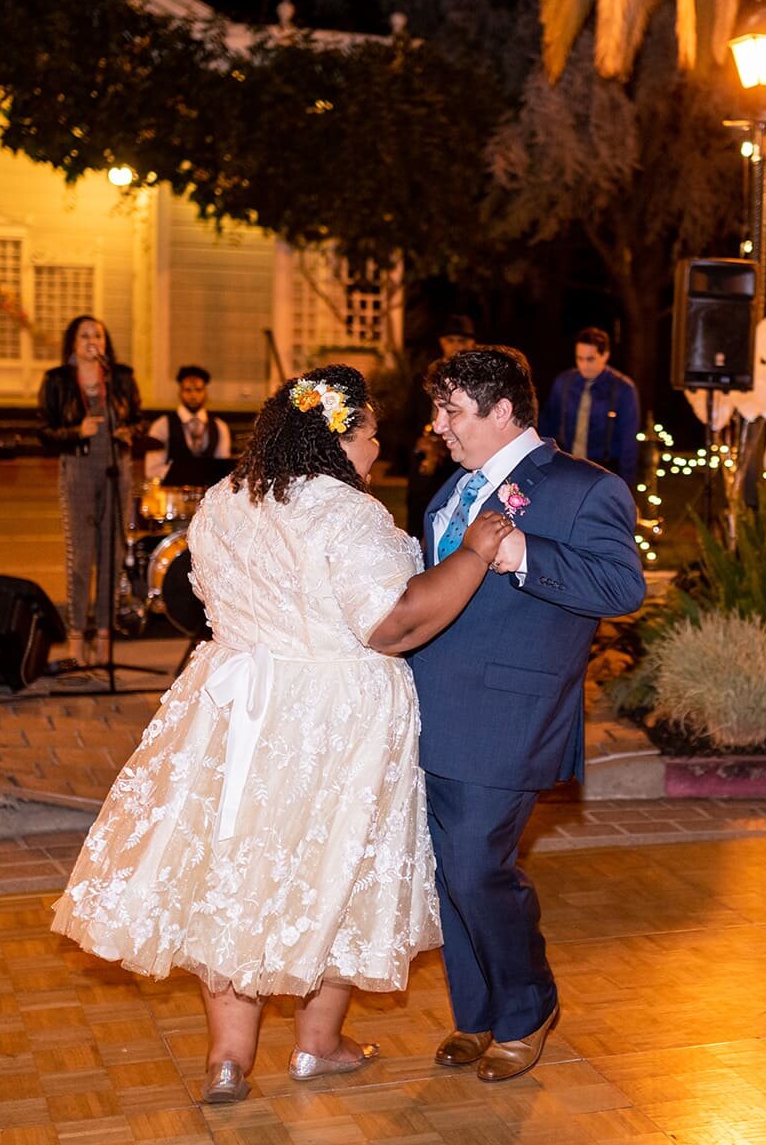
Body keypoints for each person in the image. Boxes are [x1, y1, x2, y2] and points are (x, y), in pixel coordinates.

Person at [51, 364, 514, 1105]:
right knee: (333, 869)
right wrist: (474, 554)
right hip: (333, 717)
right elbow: (393, 622)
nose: (376, 450)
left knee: (237, 870)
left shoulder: (226, 500)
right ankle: (318, 1045)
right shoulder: (344, 512)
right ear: (335, 438)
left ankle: (228, 1058)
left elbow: (207, 597)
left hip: (236, 711)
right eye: (368, 435)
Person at [409, 346, 646, 1082]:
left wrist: (521, 552)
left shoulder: (584, 488)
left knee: (481, 866)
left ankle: (530, 1004)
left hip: (510, 716)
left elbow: (622, 586)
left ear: (503, 409)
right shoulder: (447, 491)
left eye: (451, 409)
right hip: (429, 710)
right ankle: (475, 1016)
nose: (437, 424)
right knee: (450, 873)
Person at [38, 315, 144, 667]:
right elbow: (45, 432)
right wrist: (75, 431)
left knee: (111, 556)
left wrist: (128, 432)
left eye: (97, 334)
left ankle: (104, 638)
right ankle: (76, 639)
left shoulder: (121, 378)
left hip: (117, 470)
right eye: (83, 336)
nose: (91, 341)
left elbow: (138, 420)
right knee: (81, 558)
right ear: (72, 343)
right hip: (78, 468)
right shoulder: (57, 381)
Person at [405, 315, 477, 539]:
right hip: (425, 463)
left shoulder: (476, 382)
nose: (456, 346)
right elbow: (405, 422)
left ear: (472, 344)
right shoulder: (423, 378)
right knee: (416, 527)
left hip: (458, 464)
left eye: (462, 341)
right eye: (450, 340)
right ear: (441, 343)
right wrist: (419, 442)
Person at [537, 327, 640, 479]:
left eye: (590, 359)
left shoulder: (623, 389)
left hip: (605, 469)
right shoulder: (564, 383)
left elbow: (628, 443)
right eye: (579, 358)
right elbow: (548, 425)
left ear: (605, 355)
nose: (584, 365)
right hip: (567, 465)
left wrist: (627, 485)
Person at [143, 365, 235, 488]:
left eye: (198, 390)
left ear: (205, 392)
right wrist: (187, 473)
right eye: (188, 390)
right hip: (172, 496)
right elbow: (152, 470)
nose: (193, 396)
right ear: (180, 392)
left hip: (208, 497)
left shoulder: (220, 427)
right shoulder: (162, 425)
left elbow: (223, 469)